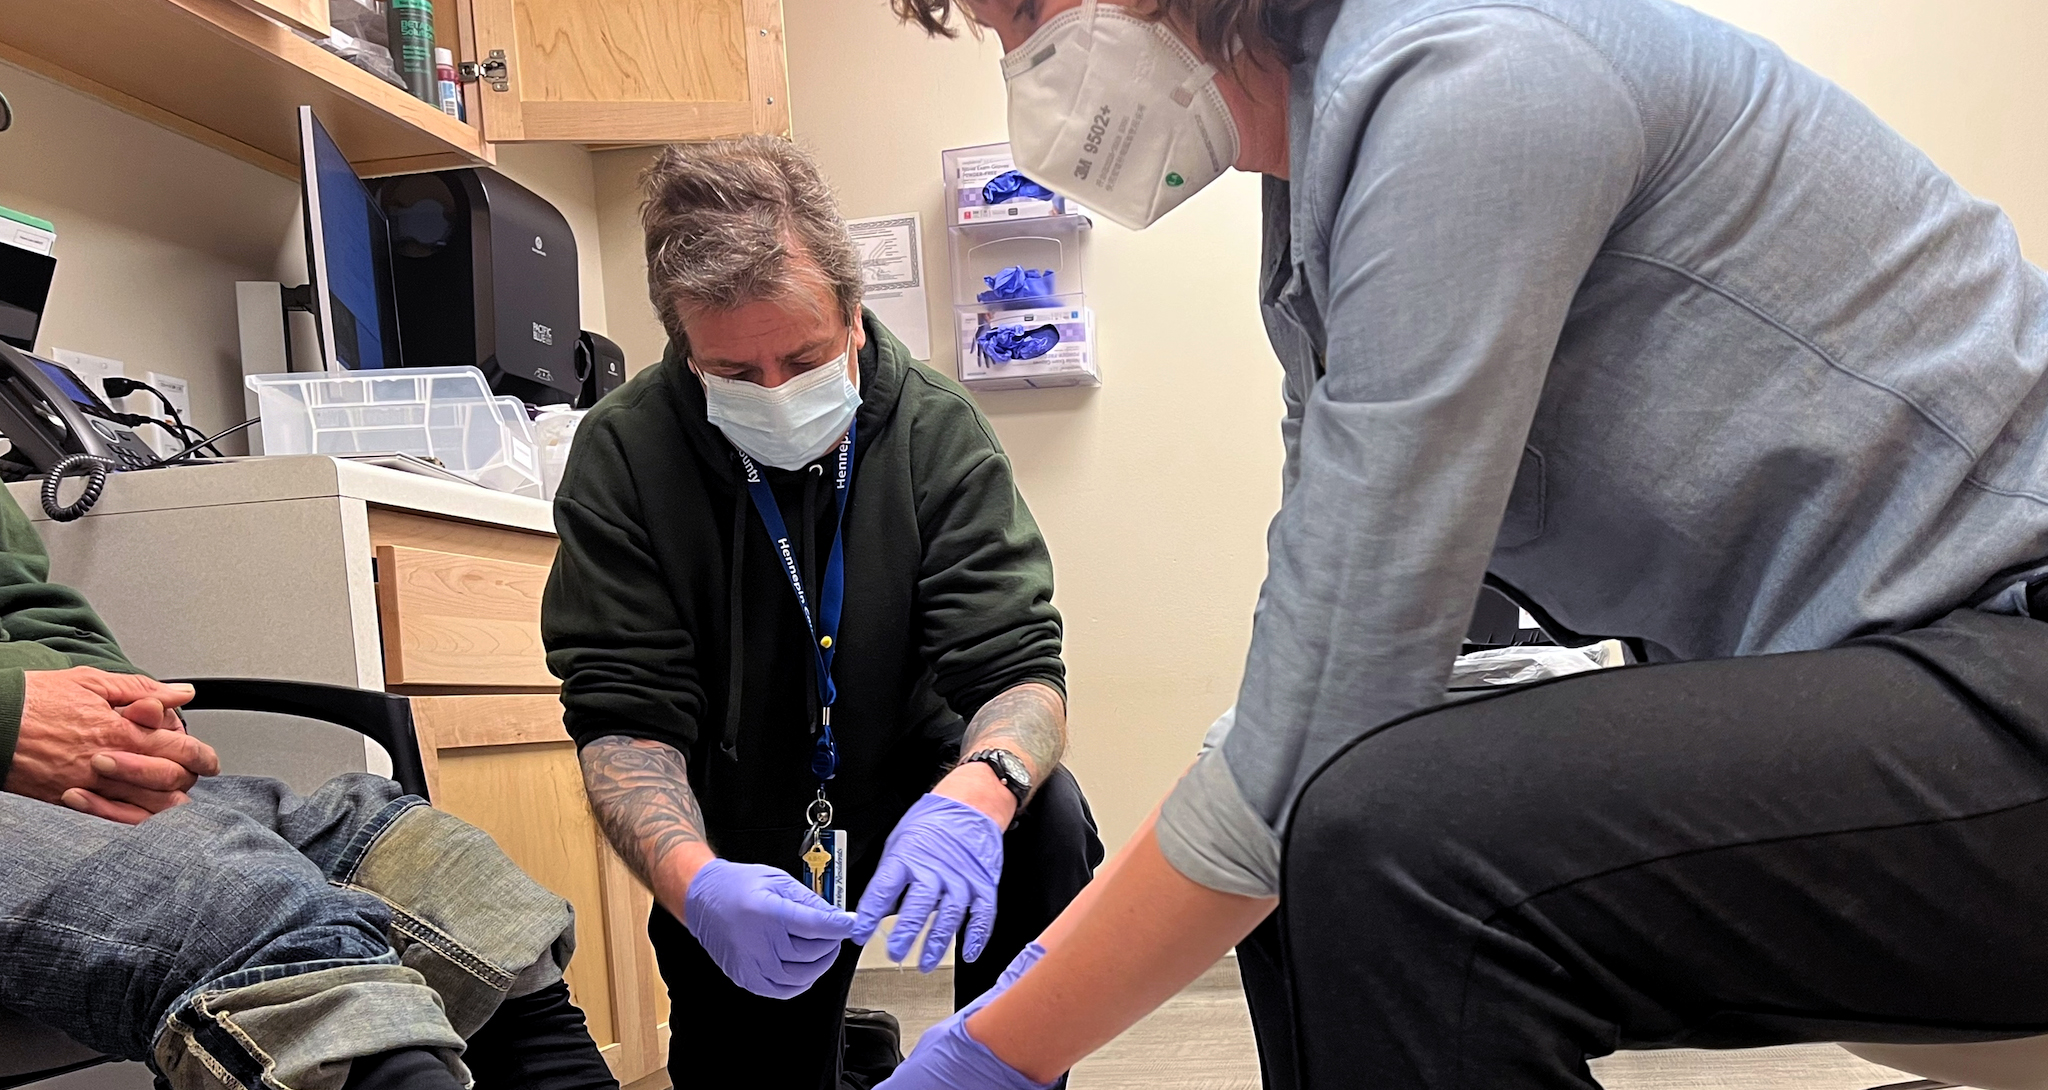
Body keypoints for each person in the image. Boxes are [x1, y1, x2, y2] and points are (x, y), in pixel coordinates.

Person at [872, 0, 2048, 1088]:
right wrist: (1028, 1006)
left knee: (1392, 844)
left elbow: (1322, 723)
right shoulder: (1322, 217)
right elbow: (1310, 683)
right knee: (1311, 837)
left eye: (1024, 15)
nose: (1025, 79)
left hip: (2010, 660)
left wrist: (994, 1053)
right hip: (1907, 681)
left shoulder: (1470, 77)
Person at [541, 135, 1104, 1090]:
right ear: (683, 345)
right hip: (745, 820)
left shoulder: (934, 429)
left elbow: (1018, 668)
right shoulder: (624, 454)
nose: (774, 393)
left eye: (802, 358)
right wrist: (697, 885)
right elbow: (624, 717)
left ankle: (1009, 1068)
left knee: (1045, 817)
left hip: (925, 778)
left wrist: (978, 793)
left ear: (852, 312)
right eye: (732, 371)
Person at [0, 485, 617, 1090]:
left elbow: (34, 610)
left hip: (66, 762)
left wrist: (129, 712)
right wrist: (13, 717)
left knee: (439, 872)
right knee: (248, 910)